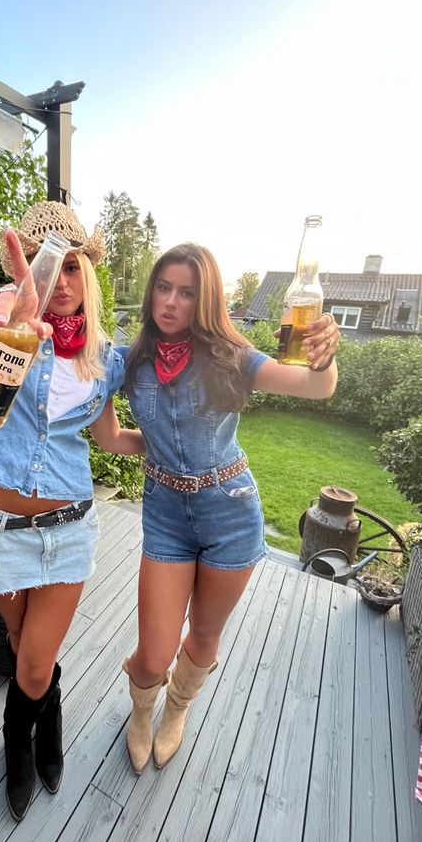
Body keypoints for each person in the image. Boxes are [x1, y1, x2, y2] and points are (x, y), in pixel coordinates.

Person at [118, 243, 340, 772]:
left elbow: (316, 387)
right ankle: (141, 712)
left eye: (187, 292)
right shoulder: (134, 362)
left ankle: (175, 712)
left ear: (206, 299)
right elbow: (143, 435)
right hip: (166, 512)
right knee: (153, 654)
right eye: (164, 287)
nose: (171, 302)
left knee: (204, 635)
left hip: (229, 510)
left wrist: (325, 355)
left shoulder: (232, 357)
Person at [0, 201, 144, 821]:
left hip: (67, 529)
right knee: (21, 645)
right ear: (28, 269)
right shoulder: (9, 326)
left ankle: (18, 747)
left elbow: (112, 438)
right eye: (48, 266)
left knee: (31, 658)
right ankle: (50, 708)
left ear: (86, 276)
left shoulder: (104, 358)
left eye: (72, 269)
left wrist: (180, 448)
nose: (60, 282)